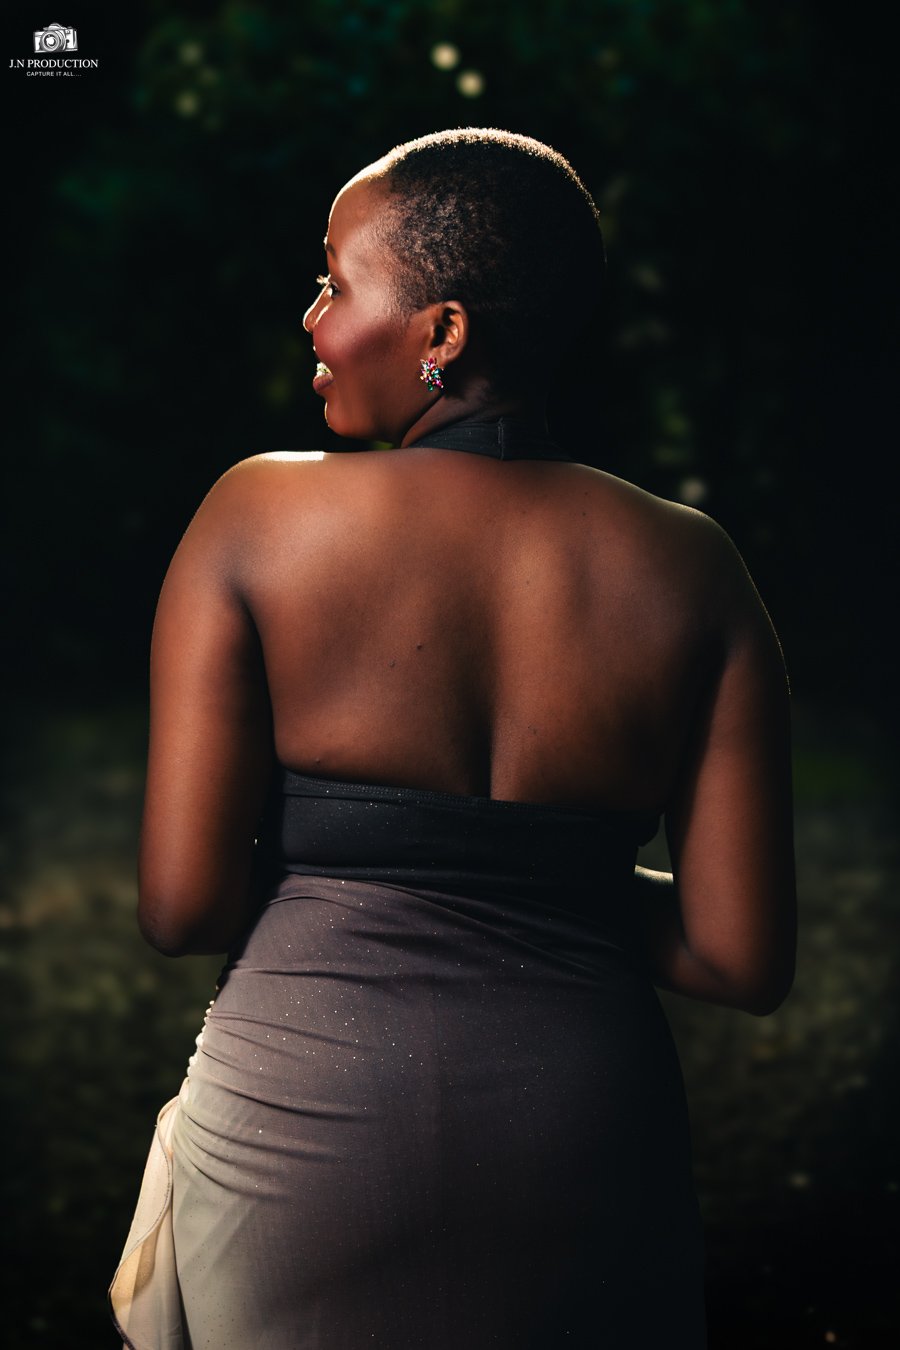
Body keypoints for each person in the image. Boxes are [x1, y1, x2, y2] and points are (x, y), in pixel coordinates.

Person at [113, 129, 796, 1349]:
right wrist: (548, 877)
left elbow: (184, 908)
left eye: (334, 281)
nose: (313, 319)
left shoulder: (257, 516)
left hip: (301, 1131)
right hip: (589, 1139)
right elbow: (741, 959)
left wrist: (358, 859)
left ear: (442, 333)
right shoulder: (695, 568)